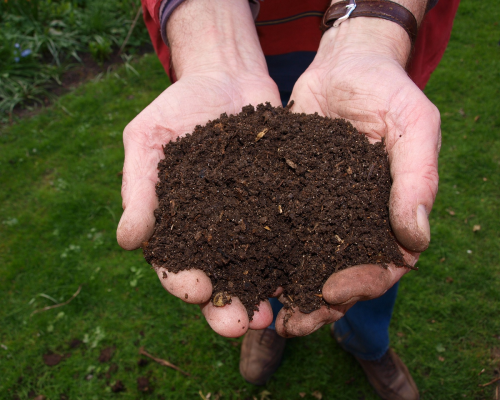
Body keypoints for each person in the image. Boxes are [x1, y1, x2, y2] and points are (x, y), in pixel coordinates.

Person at [117, 0, 460, 398]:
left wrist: (372, 31)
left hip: (376, 37)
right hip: (248, 35)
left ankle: (367, 343)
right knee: (272, 262)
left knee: (372, 248)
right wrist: (214, 42)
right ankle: (268, 320)